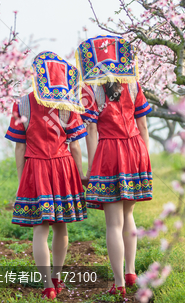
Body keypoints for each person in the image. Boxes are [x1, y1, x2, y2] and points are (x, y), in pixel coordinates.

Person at [5, 51, 88, 300]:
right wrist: (80, 174)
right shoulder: (68, 105)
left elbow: (19, 146)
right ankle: (57, 278)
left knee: (39, 229)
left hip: (35, 168)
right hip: (63, 168)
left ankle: (47, 287)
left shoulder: (22, 104)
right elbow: (75, 145)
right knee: (61, 227)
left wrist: (23, 180)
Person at [76, 36, 153, 298]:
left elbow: (91, 131)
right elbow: (143, 125)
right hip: (135, 150)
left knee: (113, 224)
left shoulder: (89, 91)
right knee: (129, 216)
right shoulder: (132, 84)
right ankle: (131, 272)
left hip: (109, 152)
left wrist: (93, 165)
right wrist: (144, 155)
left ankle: (119, 282)